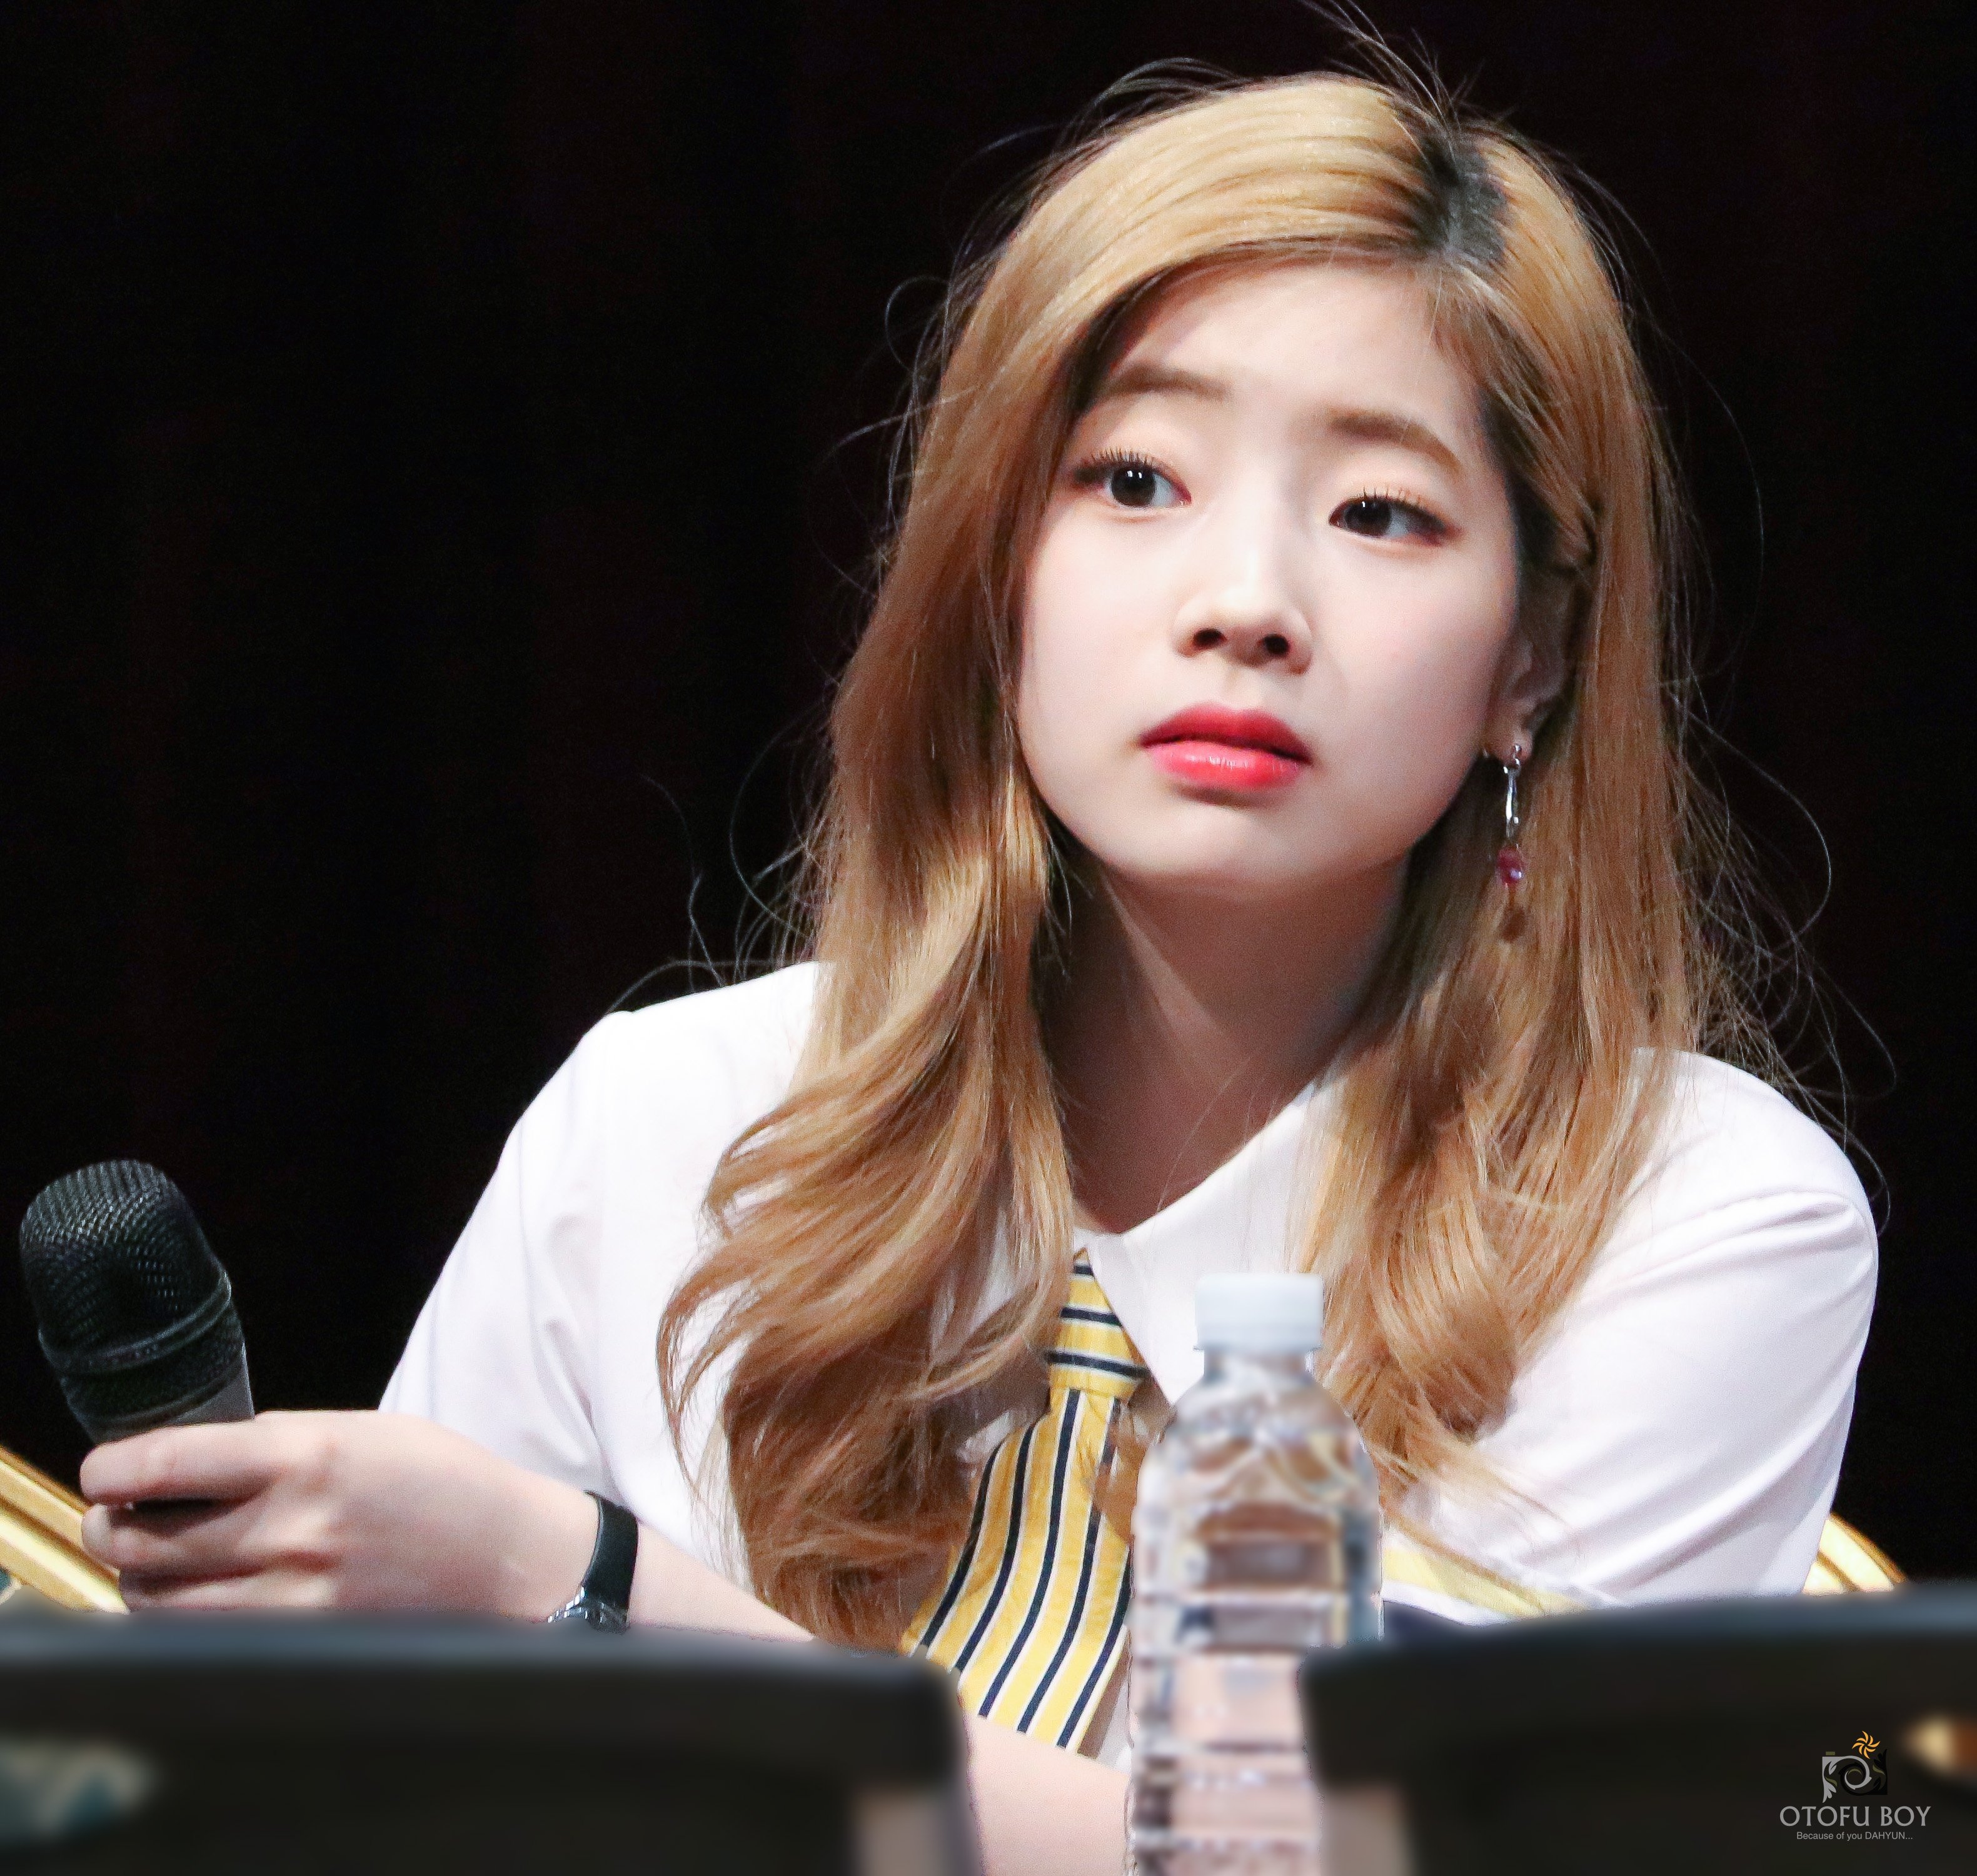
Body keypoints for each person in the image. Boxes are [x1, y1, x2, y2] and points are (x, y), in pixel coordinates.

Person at [76, 68, 1876, 1876]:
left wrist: (579, 1590)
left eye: (1380, 513)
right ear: (993, 571)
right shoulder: (665, 1120)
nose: (1246, 602)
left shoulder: (1686, 1213)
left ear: (1530, 659)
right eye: (1134, 480)